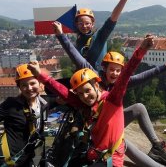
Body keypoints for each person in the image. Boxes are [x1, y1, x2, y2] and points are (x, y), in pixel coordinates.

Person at [53, 21, 166, 166]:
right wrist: (60, 35)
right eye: (111, 69)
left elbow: (141, 77)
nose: (115, 73)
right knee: (122, 143)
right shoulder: (93, 78)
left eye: (118, 70)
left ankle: (156, 146)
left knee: (138, 108)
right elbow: (76, 57)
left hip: (110, 123)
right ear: (104, 69)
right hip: (97, 127)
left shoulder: (119, 84)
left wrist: (164, 67)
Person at [28, 35, 154, 167]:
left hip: (110, 162)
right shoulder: (85, 106)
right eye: (81, 94)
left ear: (97, 86)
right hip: (96, 158)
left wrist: (141, 50)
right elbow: (64, 93)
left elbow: (125, 74)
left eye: (88, 91)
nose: (85, 96)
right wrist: (39, 75)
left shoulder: (112, 100)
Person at [0, 64, 50, 167]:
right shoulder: (11, 104)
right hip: (4, 160)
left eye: (32, 83)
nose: (29, 88)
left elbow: (66, 96)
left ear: (39, 83)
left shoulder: (44, 103)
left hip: (25, 158)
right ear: (19, 87)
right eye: (24, 85)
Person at [72, 0, 137, 70]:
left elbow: (112, 20)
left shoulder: (99, 37)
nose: (84, 26)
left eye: (87, 23)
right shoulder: (78, 42)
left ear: (92, 24)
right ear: (76, 24)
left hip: (98, 81)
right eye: (81, 23)